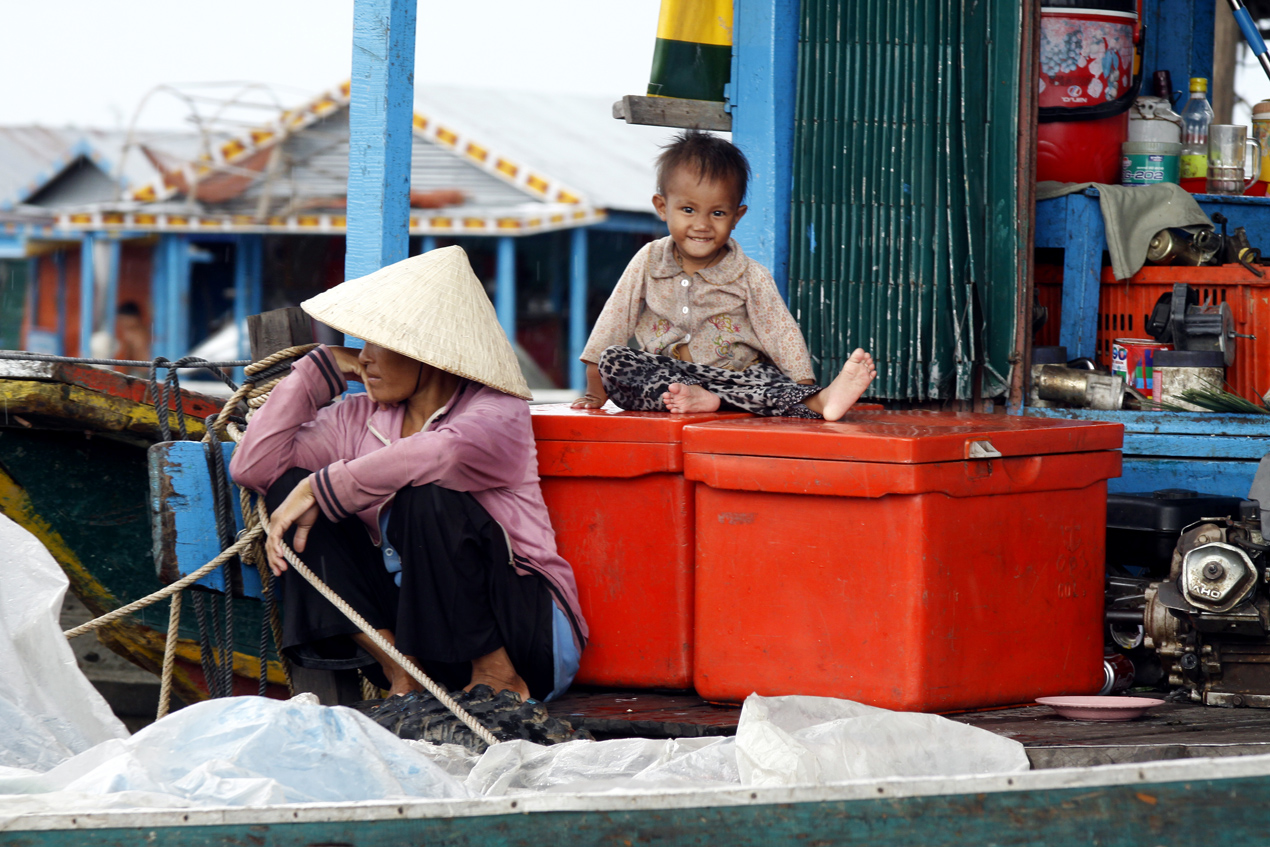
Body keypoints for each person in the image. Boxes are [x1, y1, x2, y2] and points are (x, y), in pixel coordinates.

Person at [230, 247, 586, 703]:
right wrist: (317, 373)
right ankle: (402, 670)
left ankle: (496, 676)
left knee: (424, 495)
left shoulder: (497, 411)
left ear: (428, 353)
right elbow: (255, 466)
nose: (366, 357)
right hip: (420, 636)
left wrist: (322, 487)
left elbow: (442, 453)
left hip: (526, 637)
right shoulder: (356, 417)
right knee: (288, 489)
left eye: (381, 343)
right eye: (363, 344)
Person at [573, 130, 876, 420]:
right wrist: (595, 391)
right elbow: (615, 317)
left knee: (767, 382)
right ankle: (707, 400)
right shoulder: (648, 260)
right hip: (670, 382)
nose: (702, 224)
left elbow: (781, 333)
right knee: (615, 360)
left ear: (736, 216)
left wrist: (801, 382)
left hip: (738, 378)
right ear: (662, 207)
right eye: (688, 209)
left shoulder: (749, 274)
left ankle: (818, 399)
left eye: (717, 213)